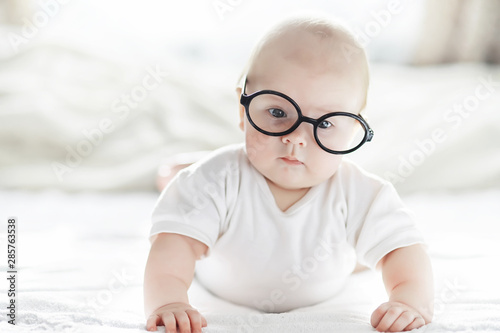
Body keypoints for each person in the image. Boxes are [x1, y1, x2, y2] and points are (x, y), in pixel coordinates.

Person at [144, 14, 434, 333]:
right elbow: (174, 247)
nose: (295, 138)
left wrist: (408, 300)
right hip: (215, 245)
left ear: (352, 130)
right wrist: (169, 302)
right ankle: (177, 173)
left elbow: (403, 249)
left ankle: (354, 257)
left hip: (331, 266)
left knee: (361, 251)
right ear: (243, 111)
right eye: (278, 113)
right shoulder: (215, 180)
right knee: (188, 198)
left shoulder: (361, 193)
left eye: (325, 123)